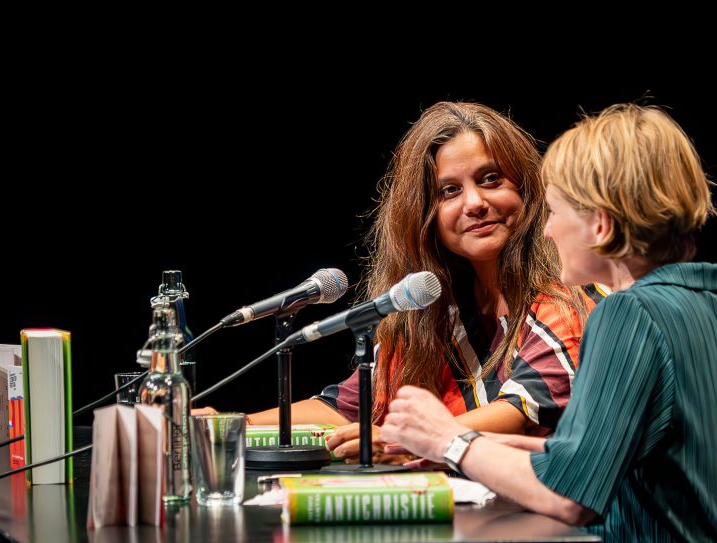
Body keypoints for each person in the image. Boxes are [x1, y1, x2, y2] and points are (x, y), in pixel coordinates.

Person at [381, 103, 717, 541]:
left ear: (600, 225)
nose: (546, 232)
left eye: (555, 212)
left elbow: (569, 497)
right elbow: (603, 456)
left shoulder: (629, 315)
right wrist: (475, 447)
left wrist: (449, 439)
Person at [243, 102, 599, 463]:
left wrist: (404, 443)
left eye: (490, 179)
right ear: (423, 217)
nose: (474, 203)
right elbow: (348, 408)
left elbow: (520, 412)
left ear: (526, 188)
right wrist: (235, 425)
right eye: (449, 191)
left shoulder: (566, 297)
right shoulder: (432, 313)